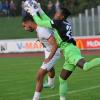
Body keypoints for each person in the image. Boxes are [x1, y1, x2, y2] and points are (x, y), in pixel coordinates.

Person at [24, 1, 100, 100]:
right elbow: (47, 20)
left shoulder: (58, 23)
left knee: (86, 66)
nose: (56, 13)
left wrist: (34, 12)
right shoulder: (62, 23)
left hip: (70, 51)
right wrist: (40, 9)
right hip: (68, 51)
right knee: (62, 79)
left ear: (62, 16)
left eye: (58, 13)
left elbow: (39, 22)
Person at [22, 14, 61, 100]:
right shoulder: (39, 28)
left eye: (24, 26)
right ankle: (51, 83)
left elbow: (55, 45)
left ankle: (35, 98)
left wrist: (49, 58)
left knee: (39, 75)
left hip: (53, 53)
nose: (25, 28)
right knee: (50, 68)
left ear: (28, 22)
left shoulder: (42, 30)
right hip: (47, 50)